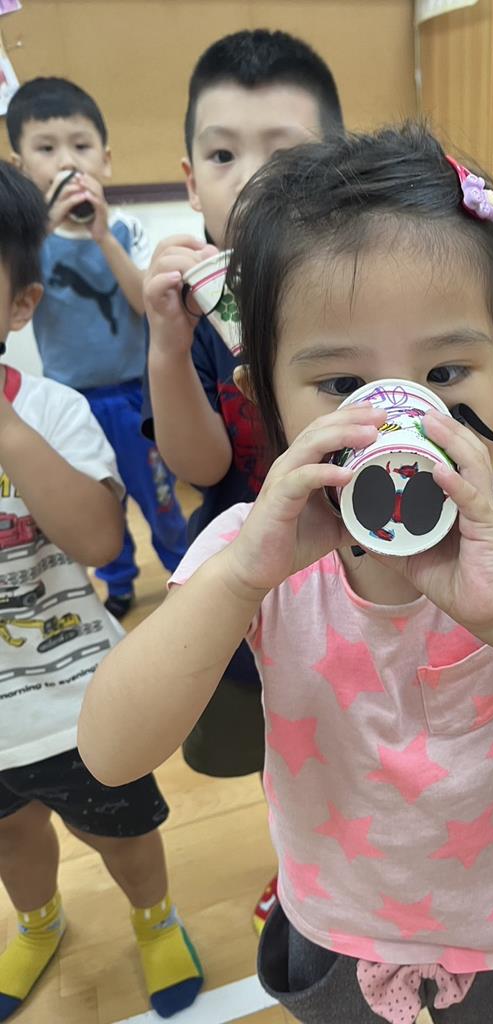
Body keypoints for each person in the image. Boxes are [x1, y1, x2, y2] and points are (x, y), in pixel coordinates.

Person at [79, 125, 493, 1024]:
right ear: (263, 398)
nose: (400, 423)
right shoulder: (253, 546)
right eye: (340, 385)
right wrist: (237, 582)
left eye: (446, 372)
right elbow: (110, 752)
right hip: (337, 921)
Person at [143, 29, 343, 929]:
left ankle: (355, 857)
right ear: (191, 180)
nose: (250, 178)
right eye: (223, 155)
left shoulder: (355, 283)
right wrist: (165, 344)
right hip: (250, 573)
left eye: (283, 153)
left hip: (356, 565)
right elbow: (202, 467)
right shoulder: (188, 302)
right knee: (278, 737)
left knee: (352, 724)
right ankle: (298, 863)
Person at [0, 160, 202, 1021]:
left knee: (121, 831)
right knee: (12, 839)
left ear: (20, 305)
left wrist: (5, 425)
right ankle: (39, 921)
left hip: (73, 698)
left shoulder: (51, 412)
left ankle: (155, 919)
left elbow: (98, 541)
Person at [6, 77, 187, 620]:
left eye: (81, 146)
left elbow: (143, 303)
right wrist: (43, 230)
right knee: (101, 496)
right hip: (71, 405)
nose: (67, 162)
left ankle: (183, 572)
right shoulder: (27, 247)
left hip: (135, 397)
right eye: (46, 149)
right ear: (20, 167)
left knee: (159, 497)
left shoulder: (125, 229)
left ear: (105, 161)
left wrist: (104, 236)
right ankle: (119, 579)